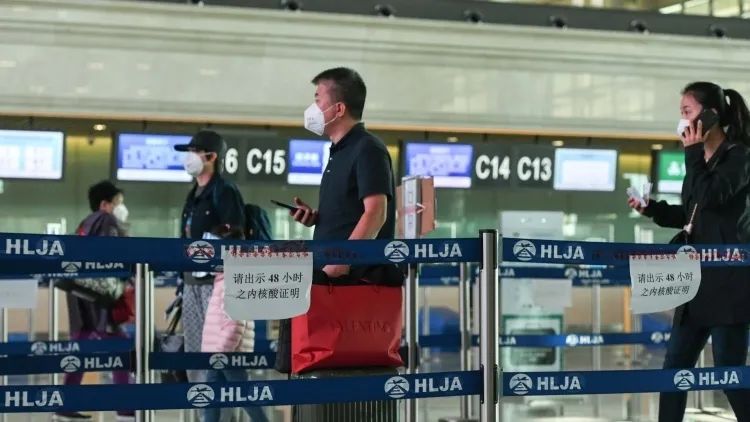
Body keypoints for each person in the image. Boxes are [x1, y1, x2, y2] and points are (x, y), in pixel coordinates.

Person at [628, 82, 750, 422]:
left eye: (687, 112)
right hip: (695, 283)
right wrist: (651, 209)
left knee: (729, 374)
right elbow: (691, 214)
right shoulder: (700, 162)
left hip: (728, 283)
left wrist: (693, 154)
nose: (681, 120)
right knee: (674, 371)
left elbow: (712, 197)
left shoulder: (739, 157)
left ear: (710, 115)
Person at [292, 67, 396, 279]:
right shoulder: (338, 152)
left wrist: (342, 262)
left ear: (338, 109)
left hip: (356, 280)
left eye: (318, 100)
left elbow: (376, 213)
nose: (313, 108)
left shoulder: (368, 148)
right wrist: (319, 219)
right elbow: (350, 214)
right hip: (330, 276)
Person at [55, 181, 133, 422]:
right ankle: (125, 406)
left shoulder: (85, 222)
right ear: (105, 204)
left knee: (80, 347)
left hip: (78, 292)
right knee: (120, 346)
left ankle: (65, 404)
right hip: (98, 297)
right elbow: (113, 254)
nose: (122, 208)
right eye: (118, 202)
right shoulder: (107, 220)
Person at [175, 130, 245, 385]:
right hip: (191, 282)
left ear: (211, 156)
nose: (189, 157)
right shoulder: (193, 193)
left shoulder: (224, 191)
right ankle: (202, 401)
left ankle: (230, 402)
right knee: (196, 350)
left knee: (220, 350)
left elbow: (235, 234)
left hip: (216, 284)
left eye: (194, 152)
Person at [201, 225, 269, 422]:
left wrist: (222, 351)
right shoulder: (224, 279)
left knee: (244, 396)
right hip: (220, 352)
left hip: (227, 353)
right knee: (213, 398)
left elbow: (236, 323)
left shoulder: (232, 281)